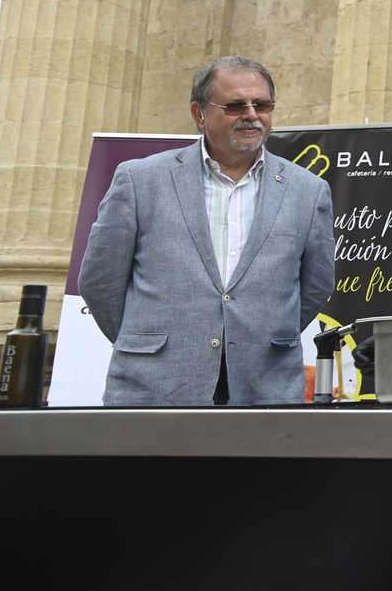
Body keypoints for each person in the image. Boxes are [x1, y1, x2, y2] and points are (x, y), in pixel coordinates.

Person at [79, 57, 335, 405]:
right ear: (199, 114)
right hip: (155, 389)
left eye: (262, 104)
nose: (251, 114)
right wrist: (148, 341)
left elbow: (316, 285)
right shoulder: (140, 180)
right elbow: (100, 281)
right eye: (234, 106)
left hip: (264, 390)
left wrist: (260, 334)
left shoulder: (308, 190)